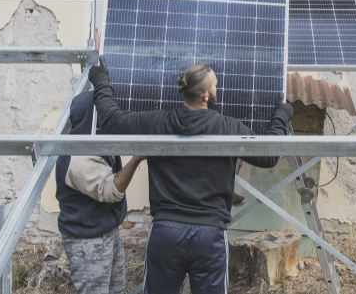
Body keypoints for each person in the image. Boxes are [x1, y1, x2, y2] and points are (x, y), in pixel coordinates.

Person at [87, 58, 294, 294]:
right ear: (205, 95)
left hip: (166, 234)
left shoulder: (157, 124)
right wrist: (282, 115)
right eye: (215, 85)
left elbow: (112, 122)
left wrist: (100, 79)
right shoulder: (228, 128)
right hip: (209, 237)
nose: (217, 88)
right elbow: (268, 157)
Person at [55, 90, 145, 294]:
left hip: (106, 231)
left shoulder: (97, 141)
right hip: (87, 241)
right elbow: (112, 190)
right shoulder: (77, 156)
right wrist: (137, 159)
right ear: (92, 116)